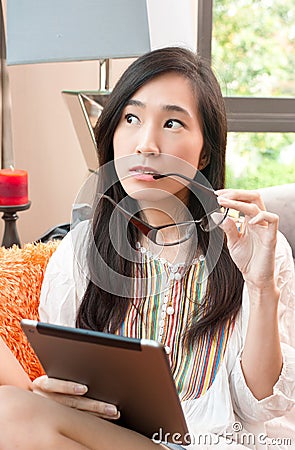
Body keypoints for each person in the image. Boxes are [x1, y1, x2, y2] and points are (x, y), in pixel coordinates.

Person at [0, 46, 294, 450]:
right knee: (10, 407)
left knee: (10, 414)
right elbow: (70, 381)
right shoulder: (81, 249)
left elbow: (261, 405)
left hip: (220, 444)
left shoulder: (259, 248)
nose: (146, 143)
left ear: (205, 150)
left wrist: (260, 286)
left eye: (172, 122)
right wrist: (56, 396)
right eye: (131, 118)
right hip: (115, 439)